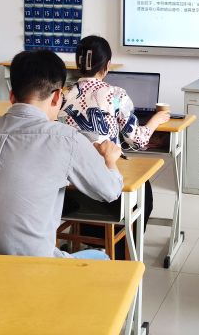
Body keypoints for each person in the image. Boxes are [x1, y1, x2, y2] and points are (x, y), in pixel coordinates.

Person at [0, 49, 123, 259]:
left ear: (12, 96)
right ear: (57, 96)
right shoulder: (66, 138)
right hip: (27, 270)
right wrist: (110, 161)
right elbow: (110, 191)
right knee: (102, 259)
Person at [59, 35, 169, 242]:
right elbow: (137, 141)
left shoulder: (62, 96)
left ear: (78, 63)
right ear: (107, 65)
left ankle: (83, 239)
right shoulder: (116, 94)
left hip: (70, 185)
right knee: (144, 191)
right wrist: (155, 121)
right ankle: (123, 249)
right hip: (105, 185)